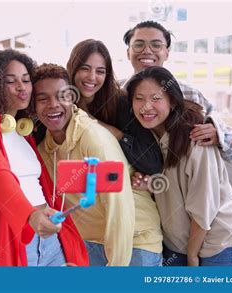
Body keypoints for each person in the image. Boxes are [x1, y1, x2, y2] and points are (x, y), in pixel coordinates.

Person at [0, 50, 88, 266]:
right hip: (18, 241)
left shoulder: (24, 132)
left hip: (52, 240)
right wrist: (31, 216)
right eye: (10, 81)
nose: (22, 87)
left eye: (26, 80)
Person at [127, 66, 232, 266]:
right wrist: (151, 185)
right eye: (139, 98)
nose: (146, 106)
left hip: (216, 242)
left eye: (156, 98)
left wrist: (192, 255)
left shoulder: (195, 138)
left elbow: (203, 207)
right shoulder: (148, 138)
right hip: (176, 243)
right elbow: (175, 185)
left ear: (172, 102)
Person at [65, 41, 163, 265]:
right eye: (85, 68)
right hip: (87, 232)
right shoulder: (60, 105)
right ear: (73, 67)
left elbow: (151, 161)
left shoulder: (119, 103)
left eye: (100, 71)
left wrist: (108, 131)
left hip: (134, 231)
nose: (92, 77)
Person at [33, 63, 135, 266]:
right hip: (87, 244)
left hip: (130, 244)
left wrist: (117, 267)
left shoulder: (93, 138)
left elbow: (120, 207)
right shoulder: (45, 149)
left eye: (62, 96)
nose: (53, 104)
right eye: (43, 99)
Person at [122, 20, 232, 164]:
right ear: (128, 52)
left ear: (166, 53)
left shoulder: (191, 95)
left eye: (156, 45)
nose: (147, 50)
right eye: (139, 44)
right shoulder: (115, 94)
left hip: (182, 183)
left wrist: (217, 134)